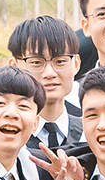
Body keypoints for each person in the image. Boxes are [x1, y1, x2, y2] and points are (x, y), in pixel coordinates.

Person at [6, 15, 87, 151]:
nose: (50, 73)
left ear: (76, 64)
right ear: (14, 67)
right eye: (36, 62)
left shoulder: (90, 132)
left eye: (60, 61)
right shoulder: (3, 135)